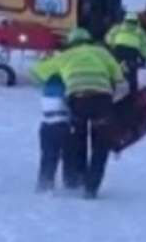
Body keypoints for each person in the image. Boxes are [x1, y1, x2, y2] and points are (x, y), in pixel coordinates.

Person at [31, 28, 126, 199]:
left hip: (78, 100)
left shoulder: (65, 55)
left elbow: (37, 73)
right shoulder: (101, 52)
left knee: (77, 137)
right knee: (100, 145)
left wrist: (58, 76)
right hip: (102, 100)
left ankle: (75, 179)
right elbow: (118, 75)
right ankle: (91, 188)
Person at [34, 73, 73, 192]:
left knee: (47, 157)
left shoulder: (46, 91)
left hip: (46, 125)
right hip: (62, 125)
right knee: (68, 156)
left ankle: (44, 183)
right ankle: (71, 183)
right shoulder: (67, 89)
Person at [105, 12, 146, 93]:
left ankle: (111, 88)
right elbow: (144, 46)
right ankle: (133, 93)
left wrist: (112, 46)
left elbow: (109, 37)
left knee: (113, 68)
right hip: (132, 52)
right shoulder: (140, 31)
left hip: (119, 49)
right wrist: (144, 57)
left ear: (125, 20)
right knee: (133, 73)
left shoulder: (118, 27)